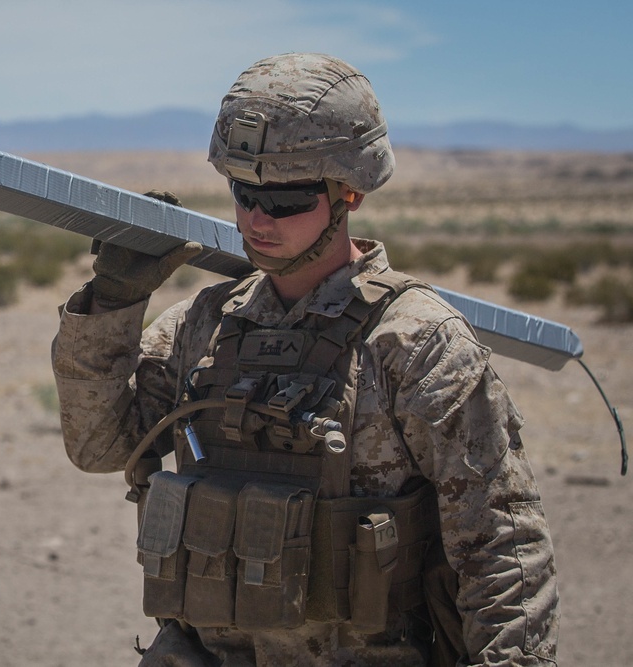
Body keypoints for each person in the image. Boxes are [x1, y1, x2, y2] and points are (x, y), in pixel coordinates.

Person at [51, 53, 559, 666]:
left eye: (287, 199)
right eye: (244, 193)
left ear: (350, 193)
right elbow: (101, 447)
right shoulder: (204, 324)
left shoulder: (415, 344)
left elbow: (502, 547)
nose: (257, 219)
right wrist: (112, 304)